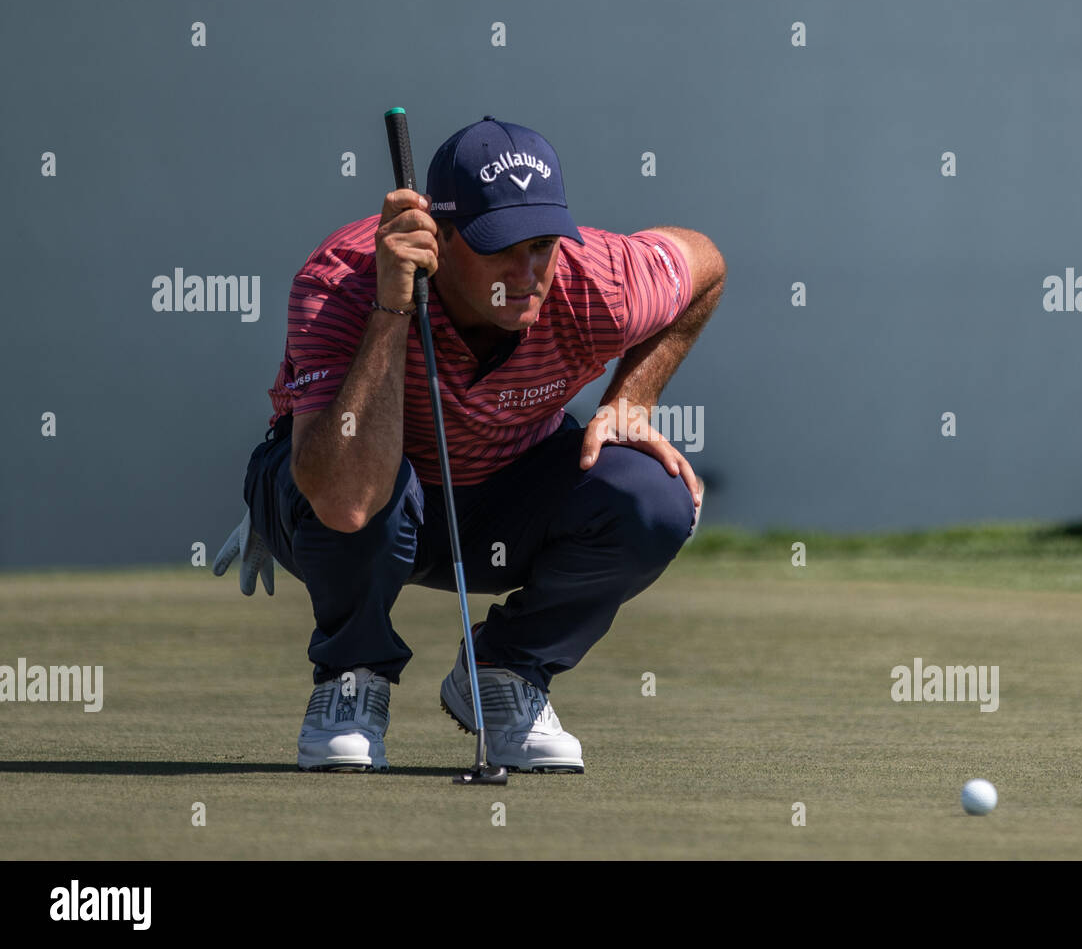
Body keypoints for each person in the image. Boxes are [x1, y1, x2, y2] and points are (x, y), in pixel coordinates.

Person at [213, 116, 726, 773]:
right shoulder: (343, 278)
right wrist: (394, 305)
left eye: (542, 243)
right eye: (499, 247)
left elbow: (704, 264)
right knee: (367, 492)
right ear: (440, 236)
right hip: (349, 492)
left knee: (653, 494)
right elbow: (344, 502)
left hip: (499, 498)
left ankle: (506, 669)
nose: (527, 270)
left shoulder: (598, 281)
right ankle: (352, 676)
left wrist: (631, 401)